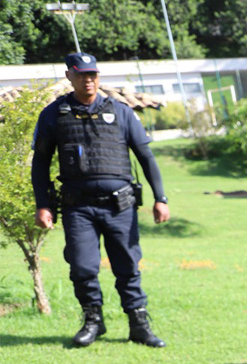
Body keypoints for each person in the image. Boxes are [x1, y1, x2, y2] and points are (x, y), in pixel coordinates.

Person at [31, 52, 170, 348]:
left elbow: (145, 156)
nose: (89, 79)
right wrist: (43, 204)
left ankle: (138, 324)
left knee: (128, 266)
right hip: (77, 207)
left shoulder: (121, 112)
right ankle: (93, 320)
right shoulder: (54, 114)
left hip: (119, 205)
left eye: (93, 74)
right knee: (82, 267)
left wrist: (161, 198)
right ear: (69, 76)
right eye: (82, 74)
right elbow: (40, 163)